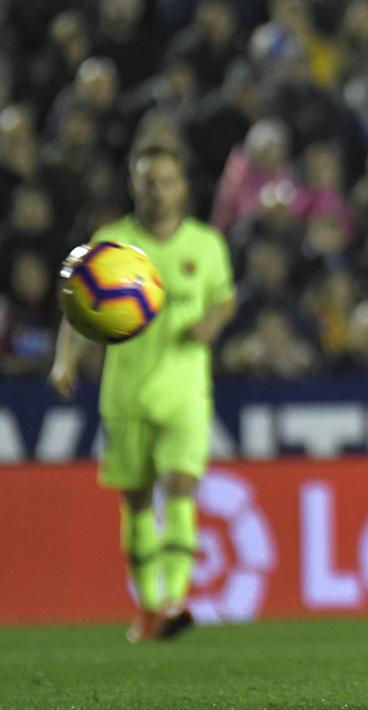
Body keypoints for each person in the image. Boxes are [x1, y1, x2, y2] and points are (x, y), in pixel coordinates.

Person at [48, 140, 236, 644]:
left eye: (167, 181)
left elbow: (224, 300)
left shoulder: (206, 244)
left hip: (186, 392)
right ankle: (149, 606)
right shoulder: (110, 244)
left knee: (180, 488)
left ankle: (174, 600)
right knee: (135, 504)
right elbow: (78, 307)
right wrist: (65, 359)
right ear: (134, 185)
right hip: (127, 394)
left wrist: (212, 326)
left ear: (182, 187)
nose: (158, 190)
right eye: (148, 181)